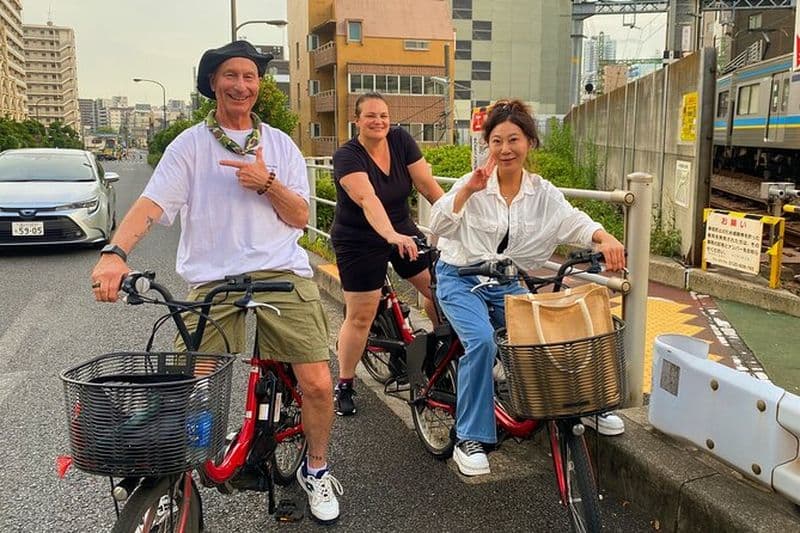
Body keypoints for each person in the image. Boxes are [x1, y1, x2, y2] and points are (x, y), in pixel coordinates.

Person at [90, 41, 342, 523]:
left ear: (259, 86)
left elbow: (300, 218)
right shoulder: (190, 145)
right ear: (212, 84)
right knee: (197, 385)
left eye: (250, 76)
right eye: (231, 75)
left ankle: (316, 467)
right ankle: (186, 467)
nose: (241, 85)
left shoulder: (281, 145)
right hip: (215, 278)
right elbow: (151, 206)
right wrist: (114, 254)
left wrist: (267, 184)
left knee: (316, 383)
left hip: (281, 272)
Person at [429, 99, 627, 477]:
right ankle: (469, 437)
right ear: (487, 145)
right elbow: (439, 221)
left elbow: (571, 220)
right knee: (483, 342)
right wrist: (467, 190)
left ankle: (583, 405)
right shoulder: (474, 183)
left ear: (529, 143)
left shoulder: (541, 191)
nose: (505, 149)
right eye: (497, 141)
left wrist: (604, 237)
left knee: (545, 336)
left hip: (504, 281)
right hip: (460, 278)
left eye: (514, 140)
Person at [331, 92, 444, 416]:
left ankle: (441, 355)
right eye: (370, 116)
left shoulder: (400, 141)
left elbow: (428, 186)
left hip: (400, 227)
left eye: (383, 115)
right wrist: (390, 235)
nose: (378, 121)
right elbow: (368, 199)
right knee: (361, 314)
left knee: (438, 289)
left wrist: (460, 220)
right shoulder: (347, 155)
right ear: (357, 121)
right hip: (358, 238)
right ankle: (346, 383)